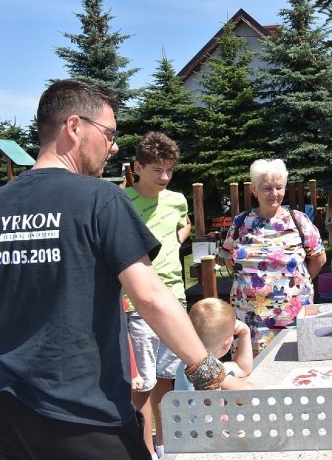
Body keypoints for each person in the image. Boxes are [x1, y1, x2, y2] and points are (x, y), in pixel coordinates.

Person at [0, 79, 220, 460]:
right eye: (109, 133)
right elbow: (150, 296)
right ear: (74, 127)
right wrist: (210, 374)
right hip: (85, 415)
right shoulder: (101, 198)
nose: (113, 147)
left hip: (8, 414)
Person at [124, 131, 192, 459]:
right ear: (138, 166)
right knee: (144, 383)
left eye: (169, 170)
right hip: (136, 302)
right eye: (157, 170)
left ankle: (166, 445)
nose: (164, 177)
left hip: (174, 298)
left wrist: (178, 240)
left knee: (168, 378)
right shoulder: (122, 200)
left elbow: (185, 223)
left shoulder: (177, 199)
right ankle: (146, 450)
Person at [222, 158, 326, 355]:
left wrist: (294, 284)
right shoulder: (241, 222)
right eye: (267, 188)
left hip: (291, 316)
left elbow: (319, 259)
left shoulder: (299, 221)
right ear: (254, 190)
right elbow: (229, 258)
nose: (275, 194)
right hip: (250, 318)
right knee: (250, 373)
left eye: (279, 187)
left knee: (291, 369)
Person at [175, 298, 254, 391]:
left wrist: (245, 334)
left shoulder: (185, 363)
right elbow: (248, 392)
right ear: (228, 342)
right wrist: (250, 384)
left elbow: (243, 369)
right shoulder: (211, 372)